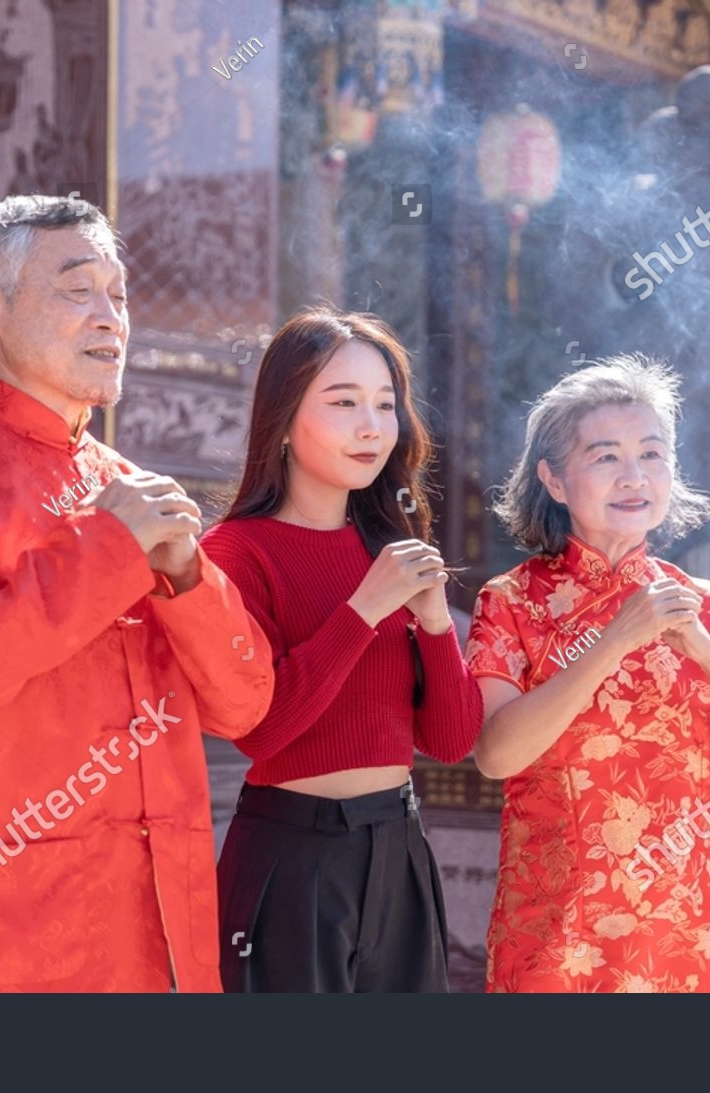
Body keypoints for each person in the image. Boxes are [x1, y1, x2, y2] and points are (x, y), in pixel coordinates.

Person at [0, 195, 273, 992]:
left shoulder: (131, 489)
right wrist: (109, 548)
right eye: (79, 290)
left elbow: (245, 706)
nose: (112, 316)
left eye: (118, 294)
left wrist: (187, 578)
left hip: (152, 935)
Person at [465, 354, 710, 992]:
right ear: (554, 481)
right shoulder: (511, 601)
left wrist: (706, 649)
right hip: (558, 938)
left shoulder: (697, 601)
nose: (634, 475)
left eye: (652, 453)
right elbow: (496, 754)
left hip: (686, 930)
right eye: (606, 456)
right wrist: (615, 640)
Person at [200, 306, 483, 992]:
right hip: (292, 854)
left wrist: (437, 624)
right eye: (344, 401)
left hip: (400, 846)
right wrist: (364, 608)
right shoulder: (234, 553)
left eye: (386, 405)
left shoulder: (390, 548)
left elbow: (451, 740)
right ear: (285, 420)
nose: (371, 426)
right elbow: (260, 730)